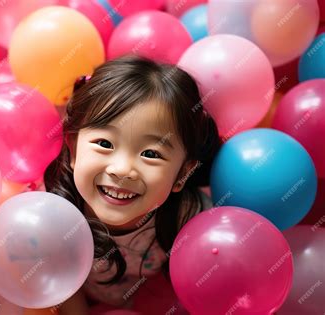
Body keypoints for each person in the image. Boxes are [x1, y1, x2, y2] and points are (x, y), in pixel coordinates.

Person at [44, 55, 222, 314]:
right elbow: (60, 284)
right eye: (105, 144)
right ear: (72, 150)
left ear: (183, 173)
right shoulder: (51, 214)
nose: (122, 170)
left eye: (151, 154)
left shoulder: (192, 220)